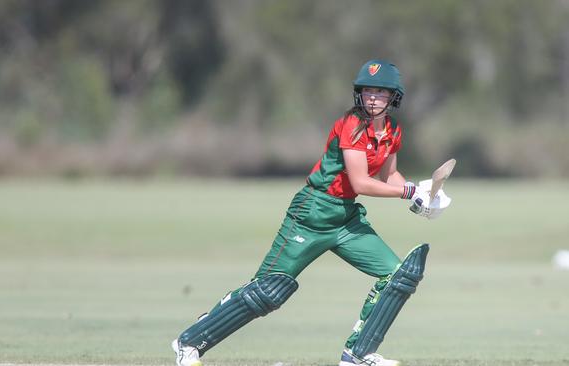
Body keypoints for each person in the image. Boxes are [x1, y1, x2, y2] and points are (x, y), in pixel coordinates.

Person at [171, 60, 451, 366]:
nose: (372, 97)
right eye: (368, 90)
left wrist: (420, 196)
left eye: (380, 92)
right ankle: (190, 342)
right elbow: (360, 180)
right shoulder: (352, 125)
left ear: (393, 97)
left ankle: (358, 354)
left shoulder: (393, 130)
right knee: (269, 291)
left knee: (398, 275)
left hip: (346, 217)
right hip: (312, 211)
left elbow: (389, 176)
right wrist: (409, 192)